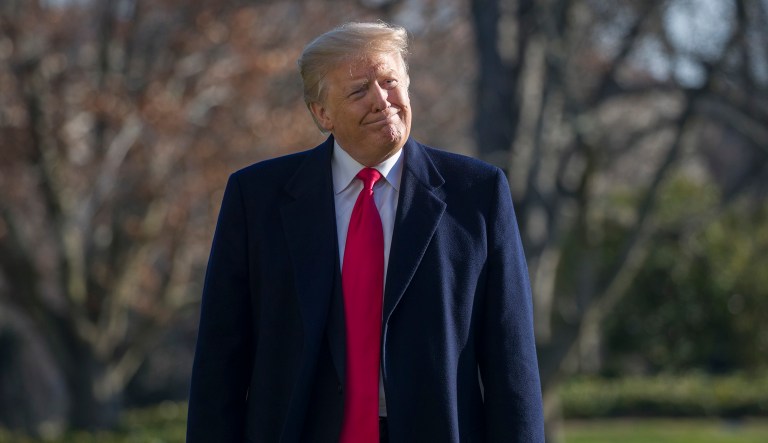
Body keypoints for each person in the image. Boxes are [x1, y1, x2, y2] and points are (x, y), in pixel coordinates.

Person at [186, 21, 544, 443]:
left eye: (390, 82)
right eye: (359, 91)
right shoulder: (256, 198)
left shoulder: (478, 193)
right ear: (322, 114)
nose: (382, 101)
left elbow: (512, 361)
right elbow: (220, 362)